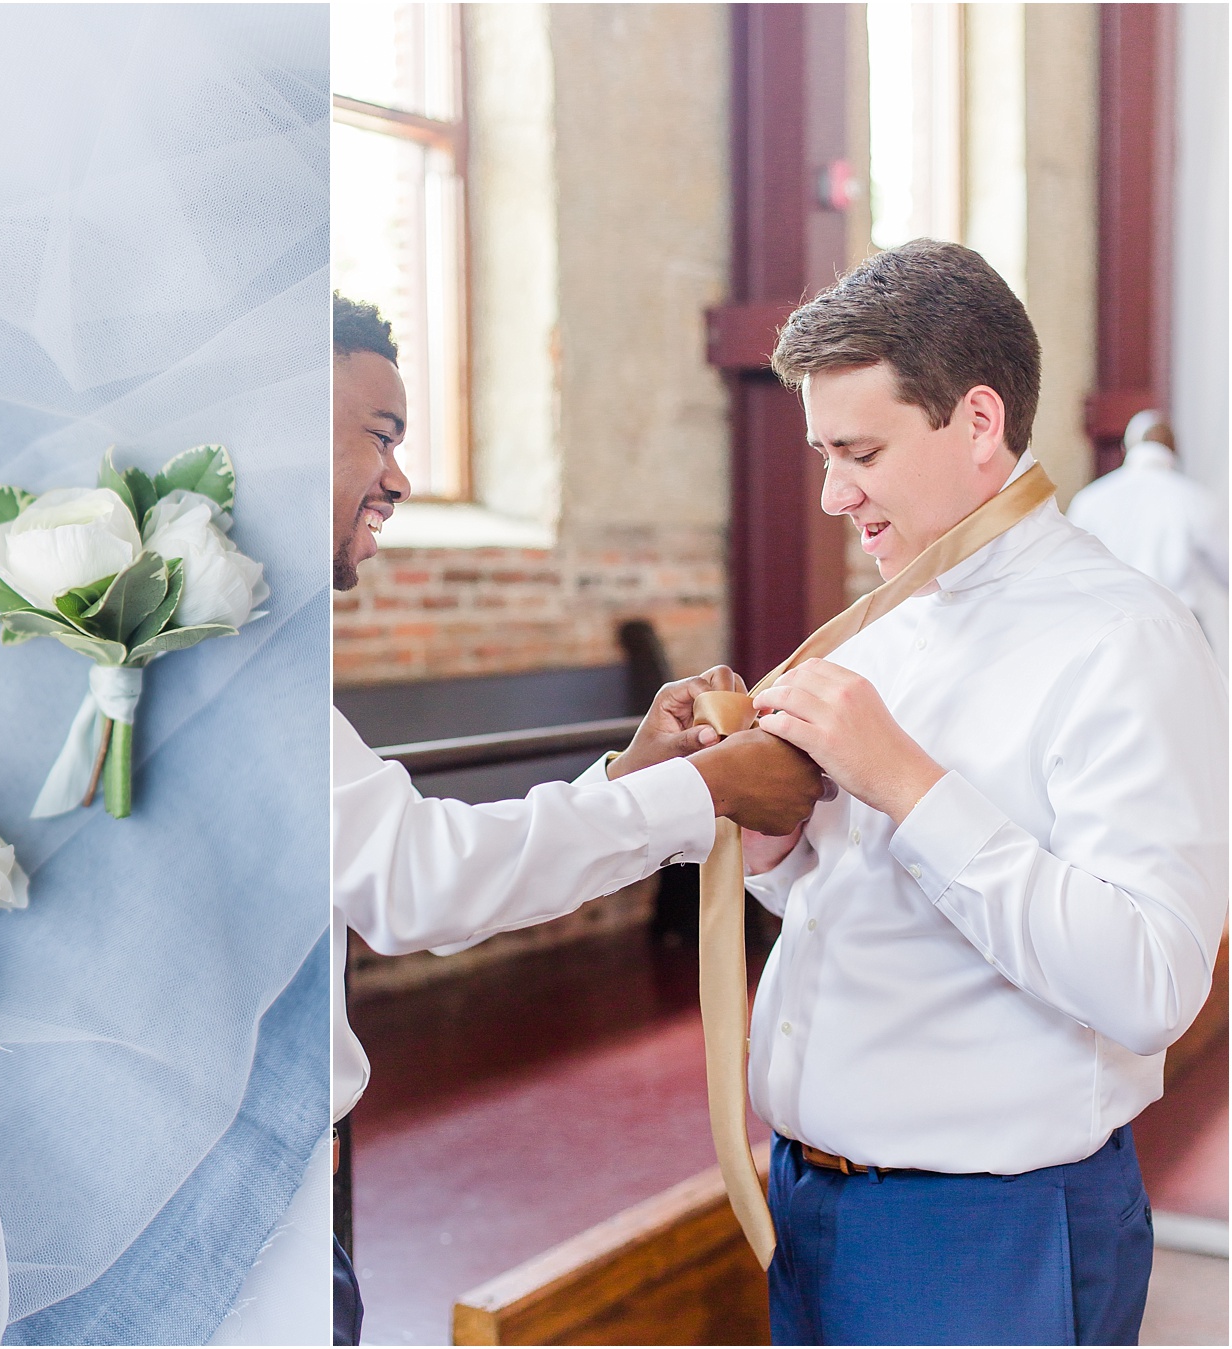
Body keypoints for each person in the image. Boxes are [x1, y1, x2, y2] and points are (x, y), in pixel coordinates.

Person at [745, 241, 1227, 1345]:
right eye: (823, 453)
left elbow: (1153, 981)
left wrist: (912, 785)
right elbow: (868, 904)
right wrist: (780, 849)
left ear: (975, 418)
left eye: (859, 450)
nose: (832, 493)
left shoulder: (1126, 636)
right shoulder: (894, 621)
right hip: (817, 1205)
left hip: (983, 1228)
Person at [329, 294, 827, 1344]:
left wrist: (627, 781)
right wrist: (706, 790)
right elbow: (422, 878)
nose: (401, 479)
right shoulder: (226, 666)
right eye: (379, 434)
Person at [1066, 409, 1229, 666]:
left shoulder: (1090, 501)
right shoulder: (1196, 500)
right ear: (1174, 450)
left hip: (1110, 635)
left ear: (1125, 448)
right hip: (1181, 636)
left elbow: (1071, 576)